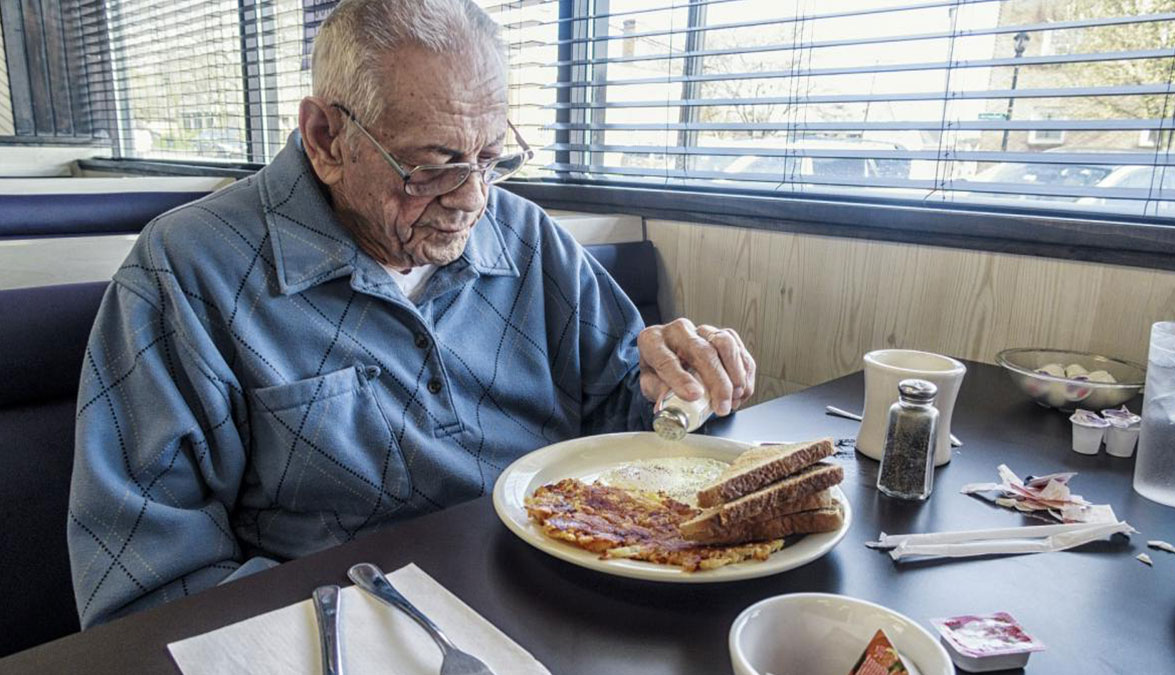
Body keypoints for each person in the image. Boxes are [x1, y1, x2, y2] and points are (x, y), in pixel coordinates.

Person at [67, 0, 755, 628]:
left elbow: (624, 415)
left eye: (492, 157)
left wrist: (678, 381)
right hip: (349, 632)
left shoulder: (528, 237)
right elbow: (147, 582)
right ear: (325, 137)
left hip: (571, 596)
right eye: (437, 164)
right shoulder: (187, 270)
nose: (474, 200)